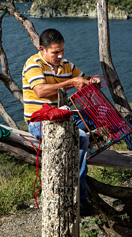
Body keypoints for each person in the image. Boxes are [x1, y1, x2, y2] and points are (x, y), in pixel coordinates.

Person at [22, 28, 98, 213]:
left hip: (62, 115)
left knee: (99, 115)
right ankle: (81, 199)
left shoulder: (67, 65)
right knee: (81, 138)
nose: (60, 55)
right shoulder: (34, 64)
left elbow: (85, 79)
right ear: (42, 50)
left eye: (62, 50)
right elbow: (40, 91)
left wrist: (93, 81)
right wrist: (71, 83)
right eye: (55, 52)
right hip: (40, 121)